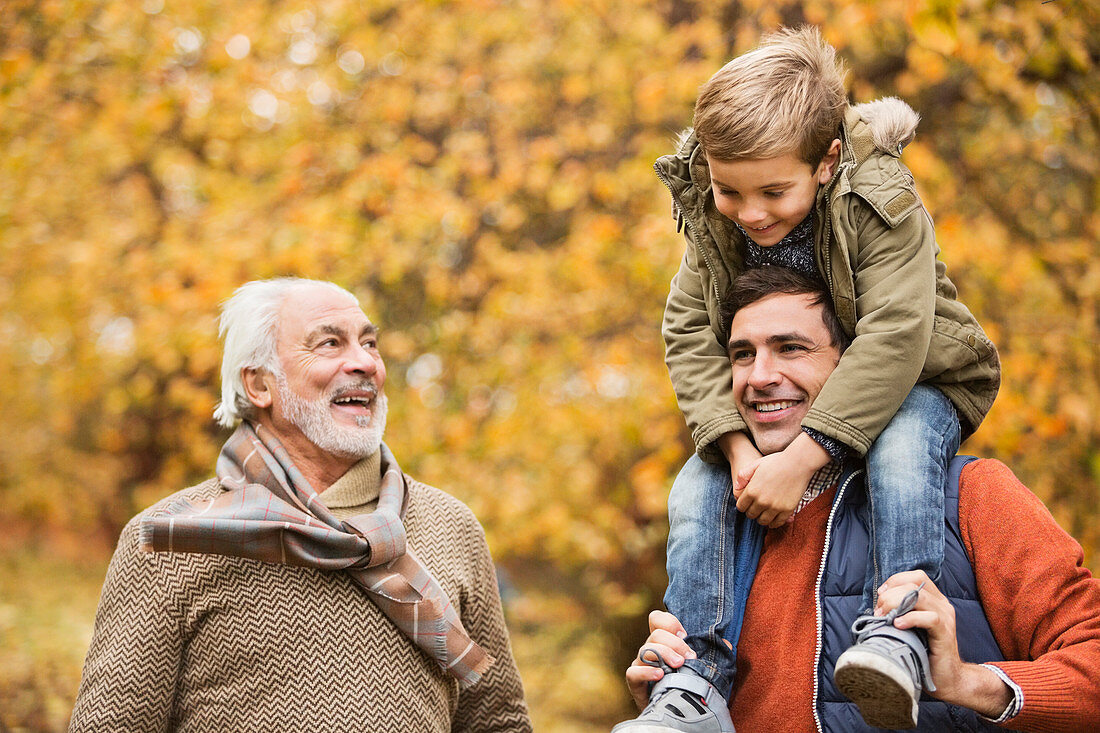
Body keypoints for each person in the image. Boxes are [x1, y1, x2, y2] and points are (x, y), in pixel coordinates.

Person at [615, 26, 1000, 732]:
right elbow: (689, 332)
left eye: (773, 192)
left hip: (922, 373)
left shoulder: (878, 197)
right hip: (794, 406)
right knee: (696, 486)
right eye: (730, 191)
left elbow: (894, 334)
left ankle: (900, 628)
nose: (751, 213)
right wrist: (736, 452)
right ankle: (694, 677)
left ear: (825, 162)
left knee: (903, 452)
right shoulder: (717, 219)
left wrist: (801, 457)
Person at [622, 267, 1100, 732]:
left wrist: (967, 682)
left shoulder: (971, 495)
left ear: (852, 364)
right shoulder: (716, 529)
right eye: (742, 355)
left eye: (791, 348)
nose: (760, 376)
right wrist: (669, 699)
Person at [69, 277, 532, 732]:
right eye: (330, 344)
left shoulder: (450, 525)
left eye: (369, 344)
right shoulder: (173, 538)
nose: (365, 363)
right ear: (259, 385)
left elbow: (499, 721)